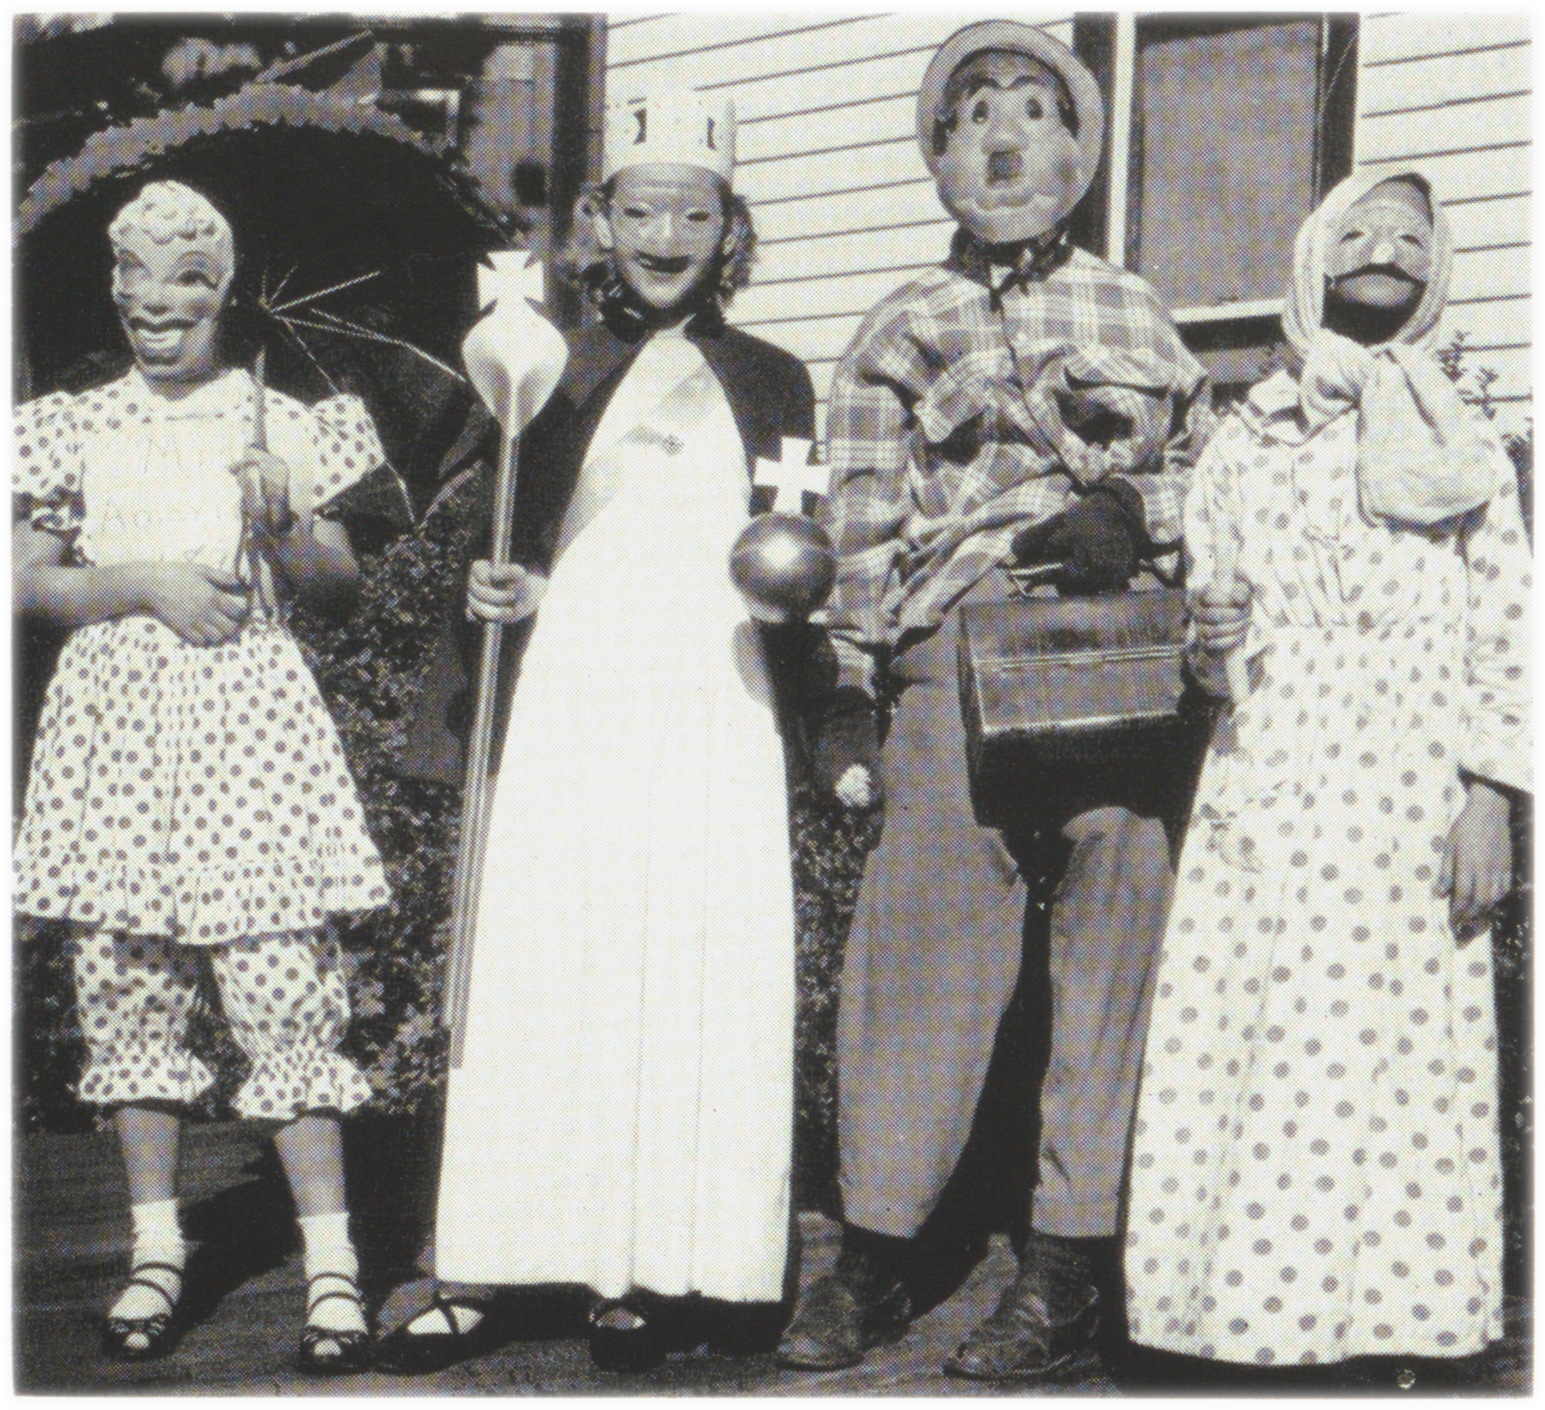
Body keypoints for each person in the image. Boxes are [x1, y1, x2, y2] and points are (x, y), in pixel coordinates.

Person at [777, 22, 1208, 1381]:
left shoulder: (1137, 310)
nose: (1007, 142)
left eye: (1035, 115)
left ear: (1080, 156)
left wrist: (1130, 506)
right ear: (939, 162)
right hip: (948, 655)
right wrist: (851, 681)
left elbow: (1211, 471)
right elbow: (858, 513)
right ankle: (876, 1255)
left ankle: (1068, 1268)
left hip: (1113, 650)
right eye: (974, 122)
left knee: (1110, 966)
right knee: (913, 967)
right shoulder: (899, 323)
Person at [384, 88, 816, 1373]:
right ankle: (498, 1255)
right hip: (575, 699)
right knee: (547, 964)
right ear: (600, 221)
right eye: (641, 208)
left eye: (695, 208)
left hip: (714, 702)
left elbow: (792, 548)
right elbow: (501, 536)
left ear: (728, 227)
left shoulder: (773, 376)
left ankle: (661, 1265)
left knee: (694, 961)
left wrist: (809, 604)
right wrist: (497, 585)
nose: (666, 232)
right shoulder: (547, 362)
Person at [1124, 170, 1528, 1374]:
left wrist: (1494, 798)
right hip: (1273, 768)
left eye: (1414, 236)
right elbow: (1215, 637)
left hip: (1411, 778)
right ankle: (1242, 1315)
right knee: (1256, 1038)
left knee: (1395, 1053)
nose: (1386, 248)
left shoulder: (1465, 445)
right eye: (1359, 228)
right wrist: (1213, 644)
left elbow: (1510, 627)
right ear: (1311, 260)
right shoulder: (1249, 438)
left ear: (1436, 275)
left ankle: (1399, 1320)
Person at [13, 181, 391, 1373]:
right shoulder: (71, 423)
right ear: (114, 289)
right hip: (117, 729)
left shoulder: (286, 424)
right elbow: (24, 583)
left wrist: (280, 523)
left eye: (183, 276)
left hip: (247, 729)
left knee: (281, 976)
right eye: (133, 275)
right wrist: (141, 584)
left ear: (224, 291)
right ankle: (155, 1248)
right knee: (127, 976)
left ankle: (333, 1265)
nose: (154, 300)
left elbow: (338, 589)